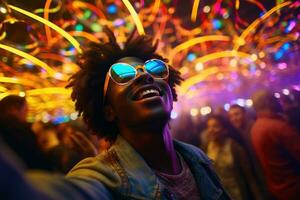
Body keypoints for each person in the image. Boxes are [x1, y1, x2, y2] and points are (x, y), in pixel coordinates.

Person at [0, 28, 231, 199]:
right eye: (122, 74)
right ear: (109, 111)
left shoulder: (197, 158)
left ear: (170, 91)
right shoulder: (103, 177)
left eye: (153, 69)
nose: (144, 76)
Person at [251, 89, 300, 200]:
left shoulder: (256, 127)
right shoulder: (278, 127)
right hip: (295, 187)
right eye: (275, 99)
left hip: (279, 189)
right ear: (269, 102)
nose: (279, 102)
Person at [203, 114, 261, 200]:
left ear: (224, 130)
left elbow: (249, 177)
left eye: (215, 126)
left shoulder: (235, 148)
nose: (211, 130)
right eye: (209, 127)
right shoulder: (206, 148)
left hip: (237, 194)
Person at [0, 95, 51, 170]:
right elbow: (37, 159)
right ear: (13, 109)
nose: (26, 115)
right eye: (25, 111)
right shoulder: (19, 129)